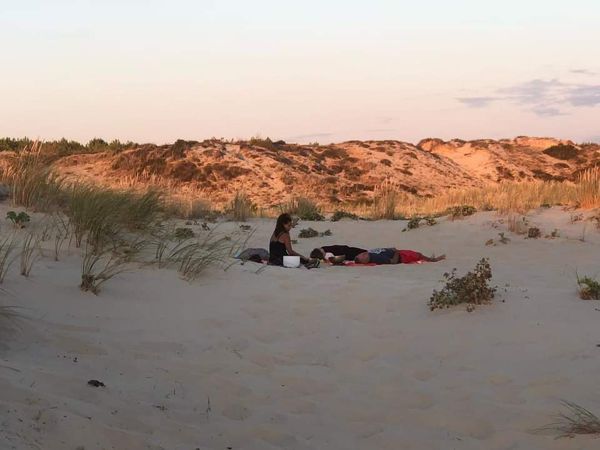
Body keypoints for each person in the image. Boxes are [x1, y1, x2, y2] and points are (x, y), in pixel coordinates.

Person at [355, 248, 446, 264]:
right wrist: (396, 252)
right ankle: (433, 260)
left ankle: (431, 259)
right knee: (418, 255)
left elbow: (381, 249)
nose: (363, 254)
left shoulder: (370, 253)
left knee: (417, 254)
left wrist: (390, 248)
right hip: (401, 257)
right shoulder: (376, 258)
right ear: (365, 261)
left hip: (398, 253)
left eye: (362, 254)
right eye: (362, 256)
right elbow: (393, 262)